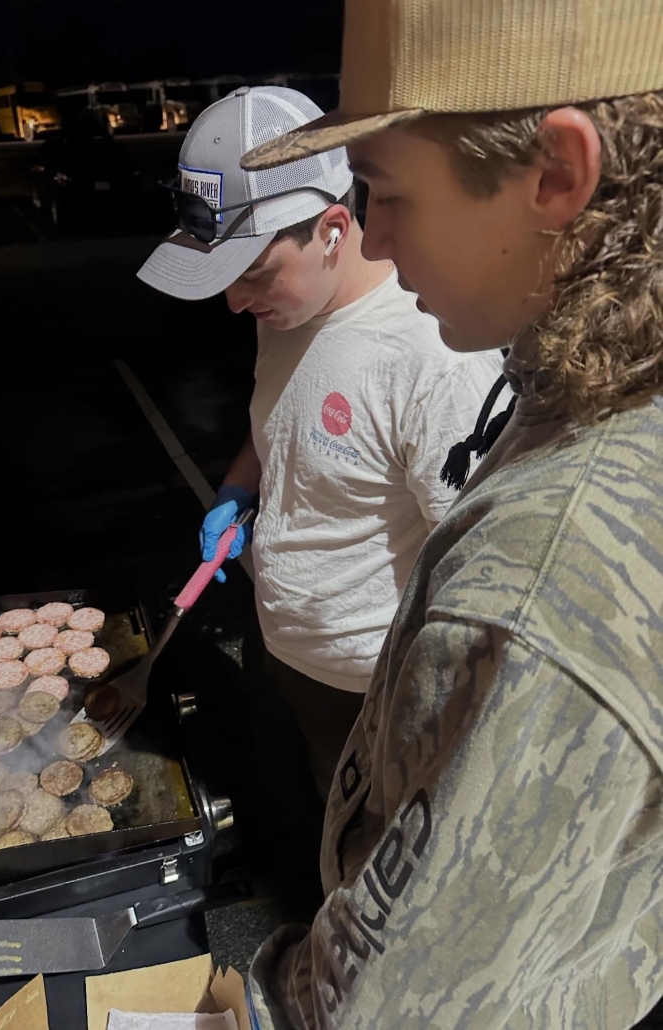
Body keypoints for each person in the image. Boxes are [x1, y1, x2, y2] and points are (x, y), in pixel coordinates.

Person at [238, 0, 663, 1027]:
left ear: (556, 175)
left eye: (385, 192)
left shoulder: (538, 571)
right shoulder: (607, 376)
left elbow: (390, 1007)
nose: (371, 234)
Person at [138, 84, 506, 893]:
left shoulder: (429, 356)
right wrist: (239, 490)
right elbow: (283, 422)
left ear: (333, 229)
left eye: (253, 274)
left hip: (372, 688)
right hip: (285, 644)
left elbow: (480, 567)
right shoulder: (290, 313)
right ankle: (293, 878)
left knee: (376, 872)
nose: (234, 302)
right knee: (299, 810)